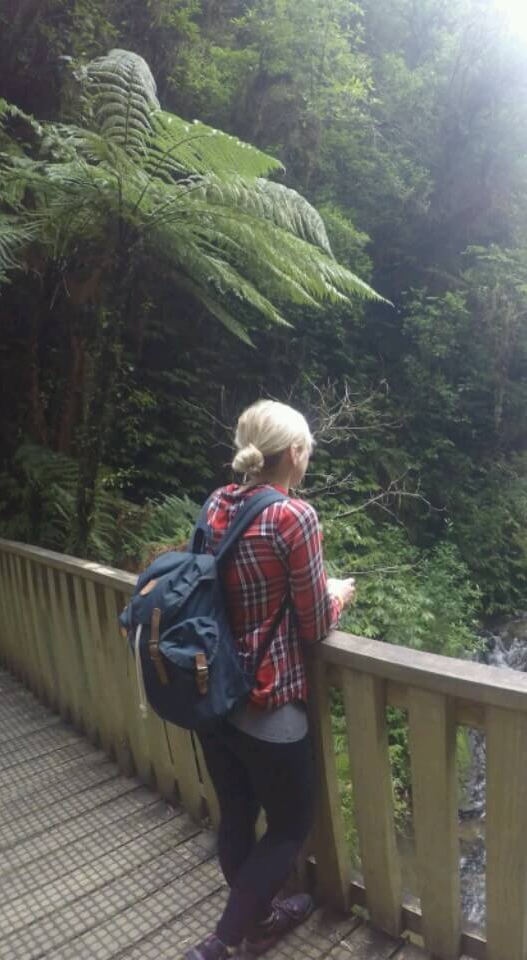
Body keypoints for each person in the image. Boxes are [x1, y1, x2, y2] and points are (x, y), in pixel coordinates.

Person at [185, 400, 356, 960]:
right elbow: (313, 623)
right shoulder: (292, 516)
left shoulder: (216, 504)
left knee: (237, 814)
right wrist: (339, 594)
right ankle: (225, 940)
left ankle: (258, 920)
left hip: (212, 691)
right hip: (267, 699)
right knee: (288, 826)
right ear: (297, 454)